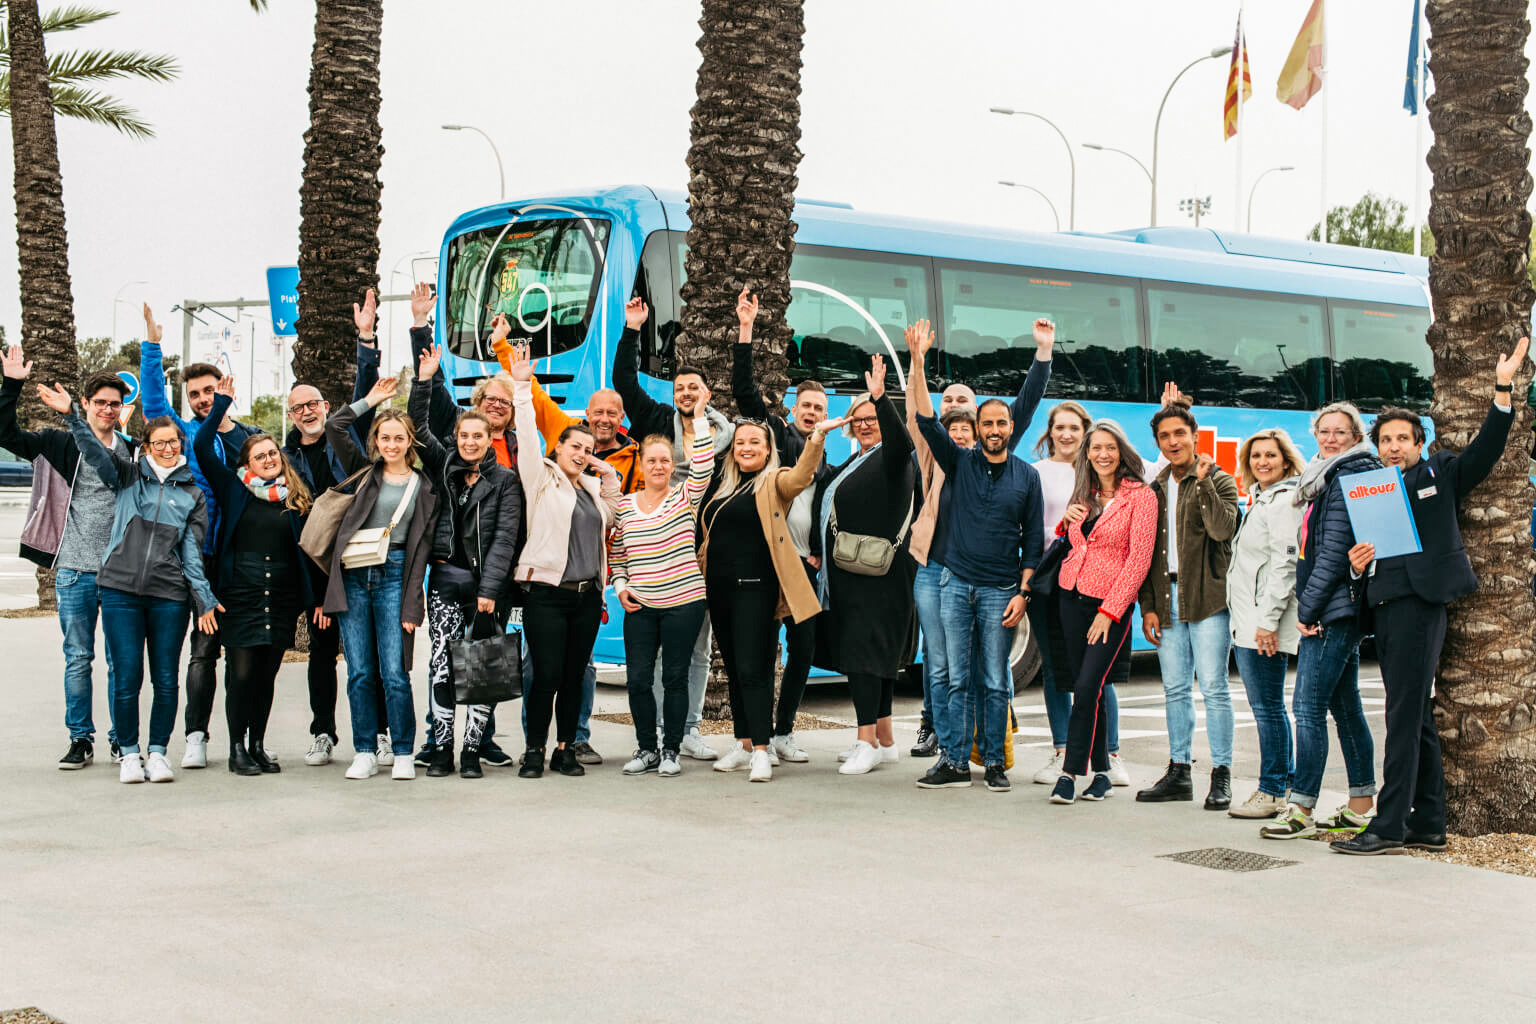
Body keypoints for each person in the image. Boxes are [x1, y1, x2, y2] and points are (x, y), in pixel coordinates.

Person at [1332, 338, 1525, 856]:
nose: (1394, 446)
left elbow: (1486, 449)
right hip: (1386, 608)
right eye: (1386, 440)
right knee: (1413, 716)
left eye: (1403, 438)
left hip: (1421, 606)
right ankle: (1429, 822)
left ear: (1419, 443)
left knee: (1403, 715)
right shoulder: (1369, 488)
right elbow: (1364, 555)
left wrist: (1501, 389)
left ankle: (1389, 825)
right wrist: (1357, 566)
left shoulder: (1437, 473)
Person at [42, 383, 218, 785]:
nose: (168, 449)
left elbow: (191, 553)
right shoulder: (125, 476)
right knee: (126, 676)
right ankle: (129, 753)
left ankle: (157, 752)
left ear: (181, 444)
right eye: (159, 443)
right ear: (146, 445)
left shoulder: (192, 494)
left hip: (168, 597)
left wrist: (203, 599)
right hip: (120, 591)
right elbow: (92, 451)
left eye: (174, 442)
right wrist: (71, 414)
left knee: (165, 678)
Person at [491, 311, 642, 766]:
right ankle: (534, 749)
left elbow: (615, 518)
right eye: (574, 446)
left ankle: (564, 749)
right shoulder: (540, 478)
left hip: (584, 596)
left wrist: (605, 472)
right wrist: (520, 385)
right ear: (556, 449)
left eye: (588, 449)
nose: (582, 452)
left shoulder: (594, 490)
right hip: (545, 594)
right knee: (546, 675)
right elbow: (527, 428)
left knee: (575, 676)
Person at [906, 315, 1054, 762]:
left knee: (993, 676)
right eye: (980, 423)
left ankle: (994, 757)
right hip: (946, 577)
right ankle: (948, 751)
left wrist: (1043, 353)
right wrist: (916, 360)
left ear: (1004, 429)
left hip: (996, 586)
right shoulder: (953, 461)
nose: (989, 430)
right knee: (946, 669)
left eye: (996, 423)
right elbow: (924, 420)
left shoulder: (1021, 474)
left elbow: (1034, 541)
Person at [614, 297, 735, 764]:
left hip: (699, 552)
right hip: (654, 541)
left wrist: (703, 419)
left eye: (695, 388)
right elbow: (624, 381)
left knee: (694, 655)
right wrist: (631, 329)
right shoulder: (658, 421)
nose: (687, 393)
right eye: (681, 387)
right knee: (648, 667)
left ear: (706, 395)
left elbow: (706, 467)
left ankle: (686, 733)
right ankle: (657, 736)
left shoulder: (722, 432)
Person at [139, 304, 258, 769]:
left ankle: (241, 741)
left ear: (225, 389)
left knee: (230, 652)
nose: (204, 398)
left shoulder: (249, 440)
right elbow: (152, 403)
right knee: (199, 652)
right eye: (196, 394)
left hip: (230, 559)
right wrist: (152, 345)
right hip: (184, 559)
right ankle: (194, 736)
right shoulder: (187, 435)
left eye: (211, 391)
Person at [0, 347, 129, 768]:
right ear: (85, 404)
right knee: (78, 659)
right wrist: (12, 385)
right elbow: (7, 435)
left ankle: (120, 738)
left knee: (120, 662)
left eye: (116, 403)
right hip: (74, 571)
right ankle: (80, 738)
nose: (109, 409)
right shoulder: (58, 442)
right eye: (101, 402)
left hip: (121, 575)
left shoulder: (131, 449)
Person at [1260, 402, 1381, 840]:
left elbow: (1331, 554)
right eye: (1324, 431)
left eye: (1340, 432)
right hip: (1335, 607)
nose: (1330, 438)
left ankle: (1300, 807)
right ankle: (1362, 803)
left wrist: (1306, 611)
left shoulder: (1347, 475)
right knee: (1345, 707)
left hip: (1332, 611)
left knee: (1307, 708)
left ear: (1354, 436)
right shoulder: (1327, 475)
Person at [699, 414, 839, 782]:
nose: (746, 448)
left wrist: (815, 440)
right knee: (732, 669)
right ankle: (743, 744)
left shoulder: (773, 483)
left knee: (753, 670)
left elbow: (802, 475)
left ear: (767, 451)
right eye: (741, 442)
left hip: (755, 588)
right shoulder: (720, 486)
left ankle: (762, 750)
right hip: (720, 590)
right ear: (733, 449)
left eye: (755, 443)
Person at [196, 376, 321, 776]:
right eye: (259, 456)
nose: (268, 459)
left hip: (281, 596)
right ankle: (236, 748)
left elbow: (308, 553)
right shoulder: (234, 490)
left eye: (272, 453)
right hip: (242, 593)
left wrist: (313, 599)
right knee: (243, 673)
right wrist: (222, 404)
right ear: (246, 464)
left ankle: (258, 744)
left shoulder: (296, 498)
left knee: (267, 675)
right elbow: (199, 446)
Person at [411, 344, 523, 780]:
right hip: (443, 584)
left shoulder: (505, 481)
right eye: (464, 436)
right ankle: (441, 749)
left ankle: (472, 752)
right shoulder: (443, 467)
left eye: (478, 436)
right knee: (441, 667)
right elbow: (418, 427)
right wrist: (424, 381)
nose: (471, 442)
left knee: (482, 670)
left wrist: (490, 591)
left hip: (484, 590)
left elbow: (504, 539)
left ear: (488, 440)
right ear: (457, 438)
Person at [732, 286, 830, 763]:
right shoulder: (778, 437)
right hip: (771, 564)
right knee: (760, 648)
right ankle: (756, 739)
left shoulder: (829, 459)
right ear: (793, 406)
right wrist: (746, 331)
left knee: (803, 648)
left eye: (820, 409)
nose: (811, 413)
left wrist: (819, 555)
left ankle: (784, 729)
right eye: (805, 406)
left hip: (806, 569)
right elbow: (746, 394)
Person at [324, 376, 439, 781]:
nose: (391, 445)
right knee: (359, 671)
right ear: (376, 440)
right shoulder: (364, 473)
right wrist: (370, 399)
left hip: (394, 577)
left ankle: (404, 751)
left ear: (410, 441)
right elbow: (334, 426)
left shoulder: (425, 487)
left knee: (394, 671)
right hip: (354, 576)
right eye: (384, 438)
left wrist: (413, 604)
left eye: (398, 438)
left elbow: (420, 554)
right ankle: (365, 749)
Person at [812, 353, 919, 777]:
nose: (865, 422)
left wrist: (880, 396)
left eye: (872, 415)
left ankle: (865, 740)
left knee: (864, 656)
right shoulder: (852, 462)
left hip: (879, 575)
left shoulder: (893, 460)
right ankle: (886, 739)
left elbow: (901, 442)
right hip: (852, 575)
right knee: (878, 658)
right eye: (858, 417)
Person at [1135, 398, 1240, 810]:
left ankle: (1223, 774)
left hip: (1209, 599)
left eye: (1180, 433)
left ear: (1195, 437)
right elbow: (1144, 552)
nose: (1173, 441)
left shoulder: (1220, 479)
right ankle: (1180, 771)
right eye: (1165, 435)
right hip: (1166, 598)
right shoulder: (1154, 488)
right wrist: (1148, 606)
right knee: (1175, 689)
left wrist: (1205, 481)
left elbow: (1221, 530)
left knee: (1214, 688)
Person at [1048, 420, 1158, 804]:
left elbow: (1139, 560)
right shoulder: (1085, 492)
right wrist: (1068, 522)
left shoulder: (1141, 497)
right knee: (1085, 686)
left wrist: (1110, 612)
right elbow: (1076, 545)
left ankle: (1069, 773)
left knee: (1088, 686)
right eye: (1095, 448)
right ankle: (1103, 774)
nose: (1103, 454)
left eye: (1110, 447)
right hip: (1070, 597)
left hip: (1108, 606)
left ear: (1122, 451)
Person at [1028, 400, 1129, 786]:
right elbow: (1030, 528)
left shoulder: (1102, 474)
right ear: (1050, 432)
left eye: (1074, 427)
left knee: (1098, 671)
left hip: (1097, 583)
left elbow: (1153, 474)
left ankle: (1111, 755)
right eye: (1060, 427)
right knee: (1056, 670)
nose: (1067, 434)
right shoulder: (1035, 473)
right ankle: (1061, 751)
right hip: (1051, 578)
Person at [611, 426, 714, 777]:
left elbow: (703, 466)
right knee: (638, 679)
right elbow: (618, 555)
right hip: (640, 604)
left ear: (673, 466)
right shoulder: (625, 505)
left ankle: (671, 749)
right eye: (652, 460)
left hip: (684, 602)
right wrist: (621, 585)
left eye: (665, 461)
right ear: (641, 465)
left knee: (674, 677)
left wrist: (699, 420)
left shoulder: (685, 497)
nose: (658, 466)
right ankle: (647, 749)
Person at [1225, 429, 1307, 819]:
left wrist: (1267, 622)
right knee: (1269, 706)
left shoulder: (1283, 502)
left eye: (1270, 456)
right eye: (1256, 456)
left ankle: (1272, 789)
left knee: (1268, 707)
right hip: (1249, 620)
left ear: (1286, 460)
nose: (1262, 462)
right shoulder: (1261, 499)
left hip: (1260, 623)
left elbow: (1285, 565)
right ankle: (1284, 782)